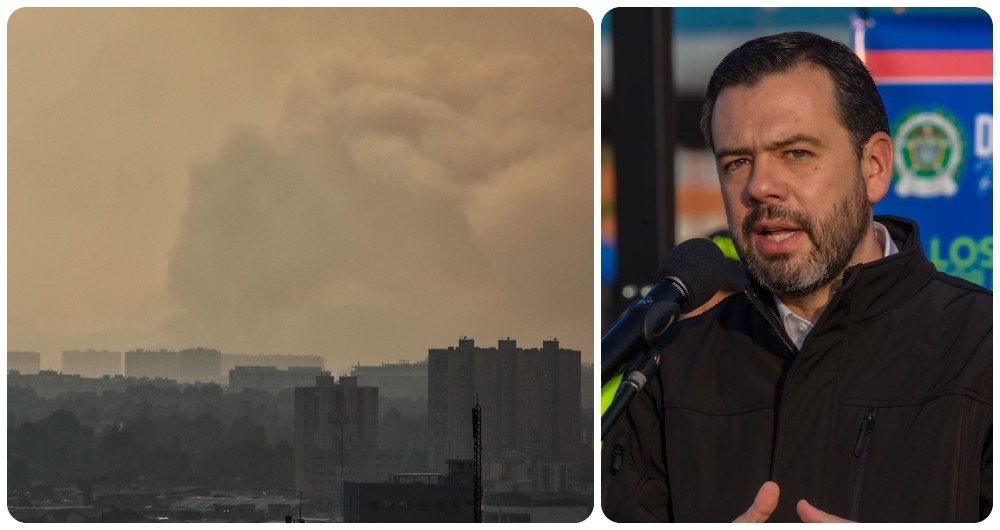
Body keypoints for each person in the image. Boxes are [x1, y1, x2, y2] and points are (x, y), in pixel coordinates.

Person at [601, 31, 991, 523]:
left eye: (796, 154)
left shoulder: (982, 348)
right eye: (737, 162)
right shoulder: (668, 367)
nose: (761, 187)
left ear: (874, 167)